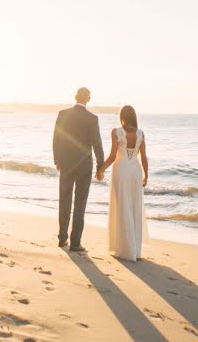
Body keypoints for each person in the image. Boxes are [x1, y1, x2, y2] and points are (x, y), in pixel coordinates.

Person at [53, 87, 104, 252]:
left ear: (75, 97)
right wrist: (100, 166)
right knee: (80, 203)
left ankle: (62, 238)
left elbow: (56, 139)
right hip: (84, 166)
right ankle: (75, 243)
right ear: (88, 99)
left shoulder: (63, 114)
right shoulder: (92, 118)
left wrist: (57, 160)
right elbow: (97, 143)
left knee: (64, 201)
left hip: (66, 163)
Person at [97, 105, 149, 261]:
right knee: (134, 207)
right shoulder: (141, 134)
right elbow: (144, 158)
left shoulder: (117, 132)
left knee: (122, 207)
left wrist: (101, 169)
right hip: (135, 171)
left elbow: (113, 156)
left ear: (122, 116)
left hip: (121, 171)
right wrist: (146, 175)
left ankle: (124, 249)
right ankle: (135, 250)